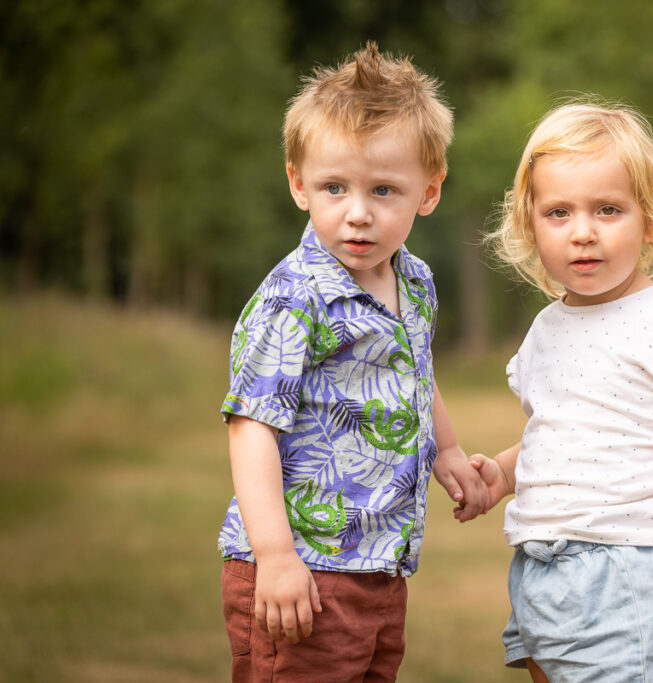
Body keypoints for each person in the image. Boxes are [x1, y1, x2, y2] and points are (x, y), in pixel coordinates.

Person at [217, 42, 487, 682]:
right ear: (297, 184)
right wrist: (276, 554)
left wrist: (446, 451)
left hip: (379, 565)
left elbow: (415, 370)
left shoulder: (414, 279)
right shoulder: (295, 297)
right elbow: (252, 425)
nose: (358, 213)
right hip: (303, 569)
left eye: (384, 190)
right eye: (333, 187)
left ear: (429, 190)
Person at [467, 99, 653, 682]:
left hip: (634, 571)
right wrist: (502, 474)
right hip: (539, 570)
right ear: (530, 226)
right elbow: (564, 433)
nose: (584, 233)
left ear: (649, 220)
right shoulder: (546, 328)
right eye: (559, 213)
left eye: (608, 209)